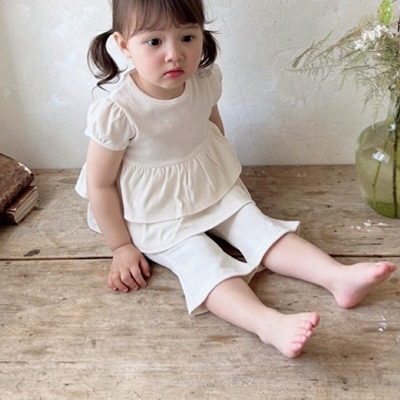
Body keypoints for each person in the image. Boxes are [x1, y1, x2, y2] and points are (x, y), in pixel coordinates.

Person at [75, 0, 397, 358]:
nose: (174, 54)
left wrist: (221, 175)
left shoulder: (203, 80)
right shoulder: (118, 111)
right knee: (201, 258)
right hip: (152, 209)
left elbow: (212, 127)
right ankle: (268, 324)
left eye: (187, 37)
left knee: (256, 225)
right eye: (154, 42)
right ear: (123, 45)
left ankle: (337, 277)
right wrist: (121, 247)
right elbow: (100, 184)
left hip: (206, 183)